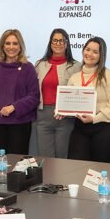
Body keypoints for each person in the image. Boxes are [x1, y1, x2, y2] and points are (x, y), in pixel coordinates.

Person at [63, 37, 110, 163]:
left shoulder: (109, 75)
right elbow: (68, 103)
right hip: (81, 128)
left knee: (101, 170)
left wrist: (95, 118)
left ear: (101, 56)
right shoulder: (74, 78)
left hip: (106, 128)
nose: (89, 54)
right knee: (75, 167)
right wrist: (62, 111)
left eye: (95, 52)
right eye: (87, 49)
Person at [0, 29, 39, 155]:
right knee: (0, 161)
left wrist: (14, 107)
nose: (11, 47)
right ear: (2, 46)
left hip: (20, 122)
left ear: (20, 46)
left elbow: (34, 96)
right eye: (7, 43)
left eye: (15, 43)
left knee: (17, 162)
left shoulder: (28, 67)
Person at [33, 29, 79, 158]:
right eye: (55, 40)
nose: (58, 43)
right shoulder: (39, 64)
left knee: (62, 158)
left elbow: (78, 93)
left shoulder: (76, 66)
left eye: (62, 40)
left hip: (65, 118)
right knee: (45, 158)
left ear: (67, 43)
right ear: (50, 43)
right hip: (43, 116)